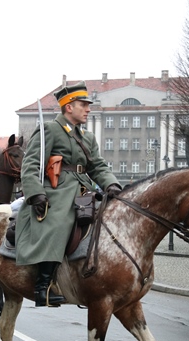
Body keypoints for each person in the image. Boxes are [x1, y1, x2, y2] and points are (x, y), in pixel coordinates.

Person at [15, 81, 121, 307]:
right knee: (60, 220)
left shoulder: (87, 137)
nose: (88, 109)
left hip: (84, 188)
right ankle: (43, 286)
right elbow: (31, 163)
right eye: (84, 105)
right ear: (69, 106)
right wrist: (35, 193)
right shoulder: (51, 129)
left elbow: (98, 166)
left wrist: (111, 184)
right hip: (57, 189)